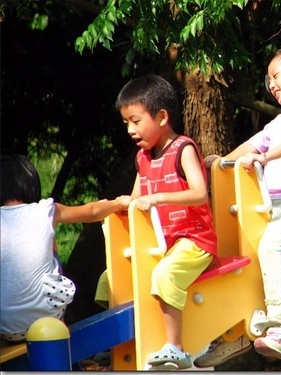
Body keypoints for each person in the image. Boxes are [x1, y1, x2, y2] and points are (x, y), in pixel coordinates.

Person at [195, 42, 281, 367]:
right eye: (268, 79)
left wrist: (266, 157)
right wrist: (215, 163)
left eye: (276, 75)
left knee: (272, 248)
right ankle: (239, 332)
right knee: (247, 260)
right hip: (274, 203)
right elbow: (250, 145)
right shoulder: (278, 123)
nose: (270, 84)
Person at [116, 74, 217, 370]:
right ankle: (123, 341)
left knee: (165, 275)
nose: (131, 130)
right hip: (163, 243)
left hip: (195, 240)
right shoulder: (143, 158)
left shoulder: (183, 148)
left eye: (136, 121)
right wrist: (120, 206)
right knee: (111, 279)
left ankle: (176, 346)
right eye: (126, 124)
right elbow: (136, 199)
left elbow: (199, 193)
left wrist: (158, 198)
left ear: (162, 116)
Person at [0, 154, 131, 343]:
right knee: (49, 241)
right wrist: (117, 203)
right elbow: (92, 212)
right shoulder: (45, 210)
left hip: (5, 329)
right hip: (46, 320)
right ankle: (60, 318)